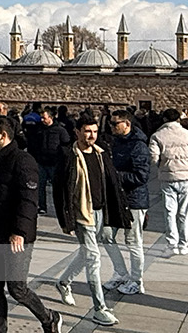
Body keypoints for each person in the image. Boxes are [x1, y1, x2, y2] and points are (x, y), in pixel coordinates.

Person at [0, 114, 62, 333]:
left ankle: (49, 318)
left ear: (2, 135)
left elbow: (29, 200)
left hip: (15, 238)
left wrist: (19, 232)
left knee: (17, 288)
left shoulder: (22, 160)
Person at [51, 111, 124, 327]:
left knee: (86, 253)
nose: (91, 135)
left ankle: (64, 282)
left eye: (94, 131)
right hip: (83, 212)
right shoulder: (68, 155)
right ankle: (99, 308)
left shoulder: (102, 153)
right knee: (94, 258)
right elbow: (59, 188)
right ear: (77, 132)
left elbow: (111, 182)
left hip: (102, 211)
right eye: (87, 131)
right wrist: (64, 219)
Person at [106, 112, 149, 295]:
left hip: (134, 200)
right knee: (105, 235)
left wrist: (117, 176)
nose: (112, 127)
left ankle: (137, 280)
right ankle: (121, 273)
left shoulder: (138, 146)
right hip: (117, 198)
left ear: (127, 124)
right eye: (111, 123)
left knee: (133, 241)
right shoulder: (116, 142)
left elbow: (141, 176)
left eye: (116, 124)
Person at [149, 108, 188, 257]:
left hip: (168, 176)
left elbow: (153, 157)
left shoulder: (157, 136)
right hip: (186, 176)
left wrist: (161, 164)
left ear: (164, 119)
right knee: (184, 212)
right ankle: (184, 244)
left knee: (170, 212)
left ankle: (172, 244)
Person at [27, 109, 70, 215]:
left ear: (51, 118)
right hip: (41, 162)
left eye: (44, 118)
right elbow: (33, 143)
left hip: (55, 163)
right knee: (40, 186)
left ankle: (62, 207)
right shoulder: (39, 129)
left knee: (58, 187)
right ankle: (42, 206)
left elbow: (66, 144)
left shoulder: (60, 130)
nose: (42, 120)